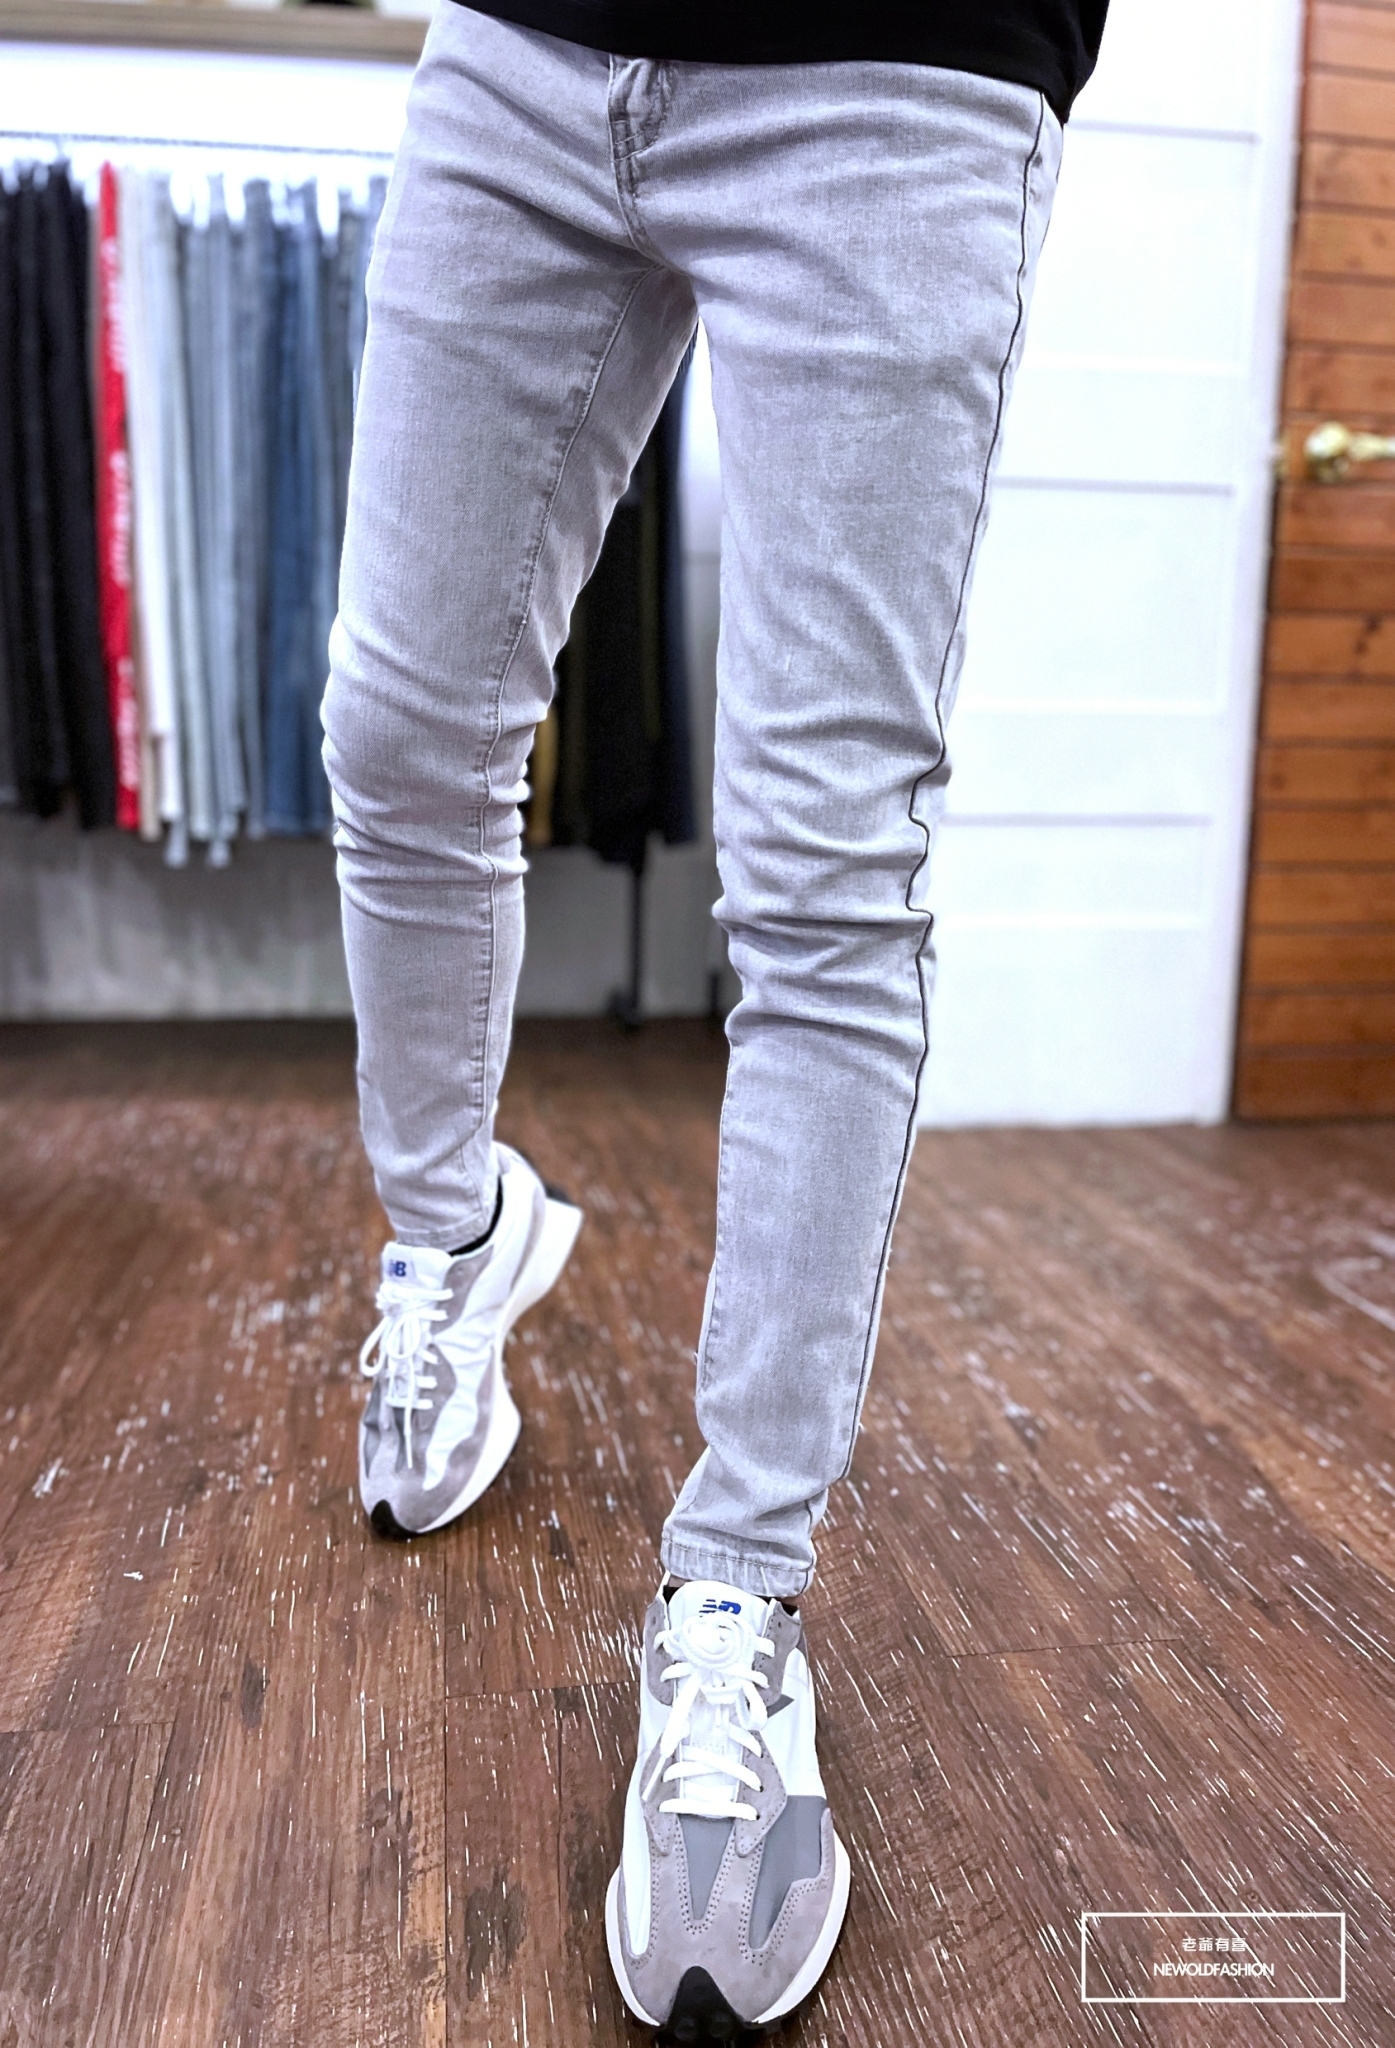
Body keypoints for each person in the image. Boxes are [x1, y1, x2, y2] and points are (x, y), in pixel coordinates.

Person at [323, 0, 1108, 2033]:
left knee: (824, 866)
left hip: (902, 68)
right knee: (399, 730)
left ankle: (737, 1594)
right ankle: (453, 1236)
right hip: (526, 46)